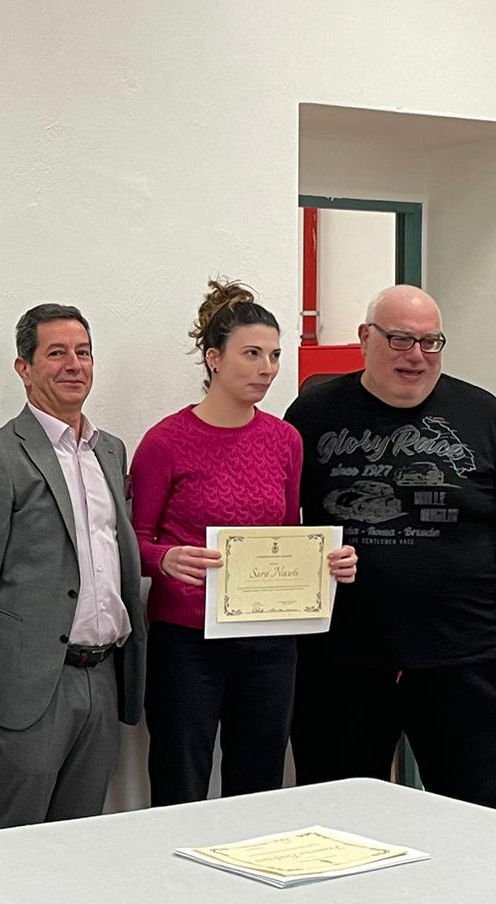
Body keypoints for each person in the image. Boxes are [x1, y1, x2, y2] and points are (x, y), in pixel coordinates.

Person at [286, 284, 496, 813]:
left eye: (430, 342)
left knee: (482, 823)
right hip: (339, 666)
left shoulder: (484, 416)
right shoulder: (313, 413)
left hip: (465, 661)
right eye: (400, 339)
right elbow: (274, 523)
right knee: (337, 825)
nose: (416, 355)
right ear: (365, 338)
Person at [130, 281, 355, 806]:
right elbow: (132, 542)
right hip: (187, 640)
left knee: (259, 784)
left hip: (269, 640)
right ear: (213, 358)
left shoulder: (285, 440)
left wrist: (327, 563)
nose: (267, 369)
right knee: (180, 777)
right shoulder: (165, 442)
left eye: (274, 355)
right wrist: (164, 558)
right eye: (251, 354)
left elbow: (288, 533)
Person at [0, 303, 144, 828]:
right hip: (27, 685)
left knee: (79, 840)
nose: (74, 365)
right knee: (11, 843)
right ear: (24, 368)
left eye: (83, 353)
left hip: (102, 676)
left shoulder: (110, 452)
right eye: (56, 353)